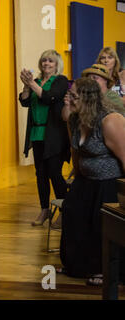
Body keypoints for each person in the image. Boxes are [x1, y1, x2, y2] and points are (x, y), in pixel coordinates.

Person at [59, 77, 125, 285]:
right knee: (71, 212)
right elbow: (75, 151)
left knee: (101, 225)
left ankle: (105, 270)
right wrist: (76, 178)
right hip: (86, 179)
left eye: (73, 96)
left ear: (88, 98)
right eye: (69, 95)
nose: (69, 99)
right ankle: (77, 265)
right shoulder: (74, 119)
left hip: (109, 183)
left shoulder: (109, 120)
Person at [18, 50, 70, 227]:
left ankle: (65, 211)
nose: (46, 63)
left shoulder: (61, 81)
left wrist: (31, 83)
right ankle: (44, 210)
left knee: (55, 173)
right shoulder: (37, 81)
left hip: (55, 135)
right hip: (37, 134)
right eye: (44, 60)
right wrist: (26, 86)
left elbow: (49, 98)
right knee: (40, 175)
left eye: (51, 61)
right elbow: (24, 101)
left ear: (57, 64)